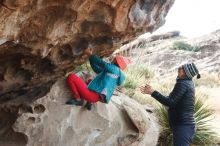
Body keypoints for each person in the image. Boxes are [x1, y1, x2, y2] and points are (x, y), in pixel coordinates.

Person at [140, 63, 201, 146]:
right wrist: (152, 92)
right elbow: (171, 99)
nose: (179, 68)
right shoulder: (186, 83)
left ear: (186, 73)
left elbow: (170, 102)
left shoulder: (183, 84)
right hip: (184, 126)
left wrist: (153, 92)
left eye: (182, 68)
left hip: (183, 126)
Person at [66, 48, 130, 110]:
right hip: (95, 97)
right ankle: (89, 103)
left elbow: (100, 62)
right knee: (90, 81)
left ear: (116, 61)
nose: (112, 59)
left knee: (71, 77)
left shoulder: (114, 69)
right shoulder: (112, 73)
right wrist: (90, 57)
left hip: (92, 95)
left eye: (114, 59)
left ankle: (78, 99)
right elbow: (96, 68)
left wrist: (90, 54)